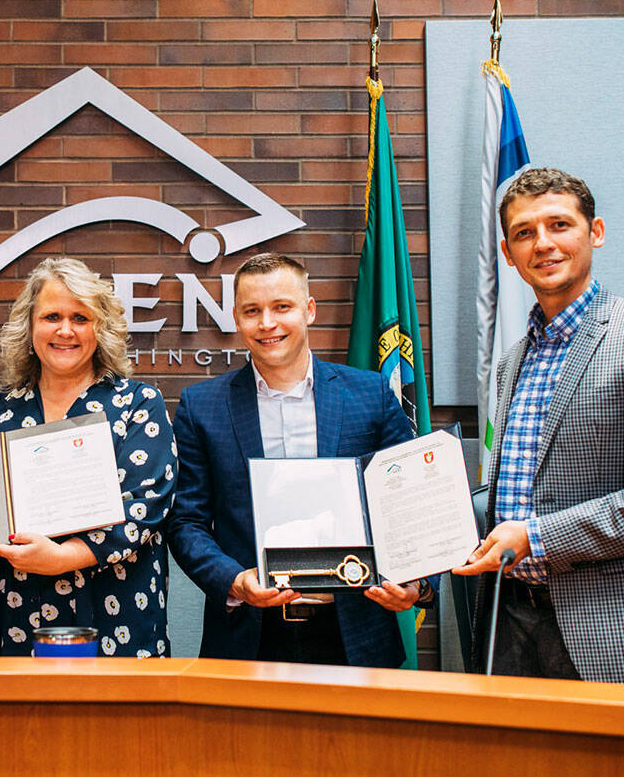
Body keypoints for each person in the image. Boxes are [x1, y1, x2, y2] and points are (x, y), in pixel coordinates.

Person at [453, 168, 624, 687]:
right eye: (524, 233)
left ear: (594, 231)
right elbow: (521, 492)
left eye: (559, 225)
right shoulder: (512, 361)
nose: (543, 244)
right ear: (508, 253)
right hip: (512, 631)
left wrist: (537, 536)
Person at [167, 252, 428, 666]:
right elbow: (186, 521)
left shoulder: (371, 395)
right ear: (237, 318)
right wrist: (234, 581)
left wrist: (418, 581)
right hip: (248, 636)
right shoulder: (203, 405)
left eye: (281, 307)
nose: (267, 323)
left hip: (354, 636)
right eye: (252, 311)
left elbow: (410, 504)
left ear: (309, 310)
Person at [0, 257, 175, 657]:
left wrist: (63, 558)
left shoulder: (137, 405)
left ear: (100, 329)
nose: (65, 330)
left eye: (80, 318)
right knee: (20, 719)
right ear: (29, 327)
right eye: (51, 317)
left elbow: (145, 505)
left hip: (115, 612)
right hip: (15, 608)